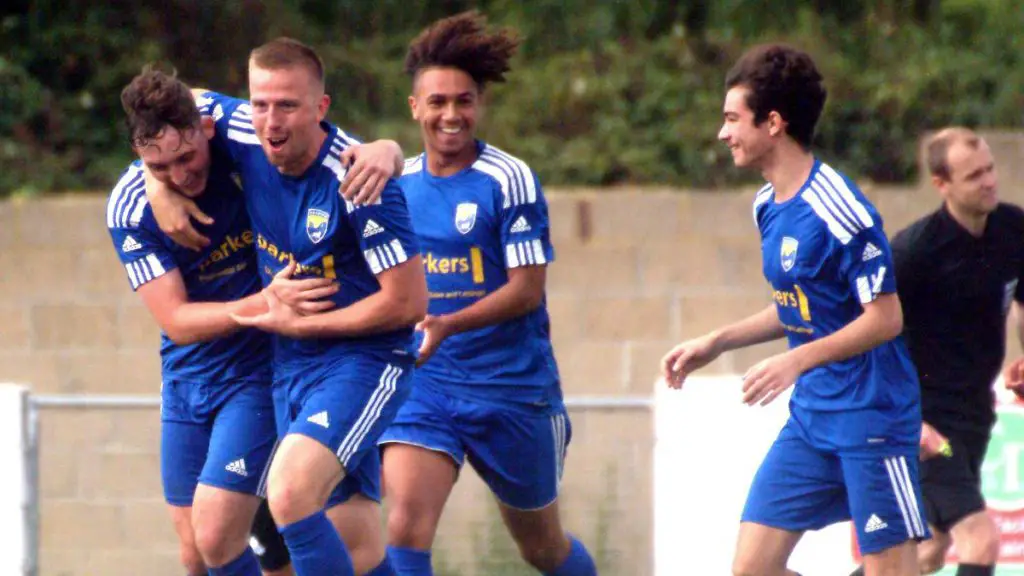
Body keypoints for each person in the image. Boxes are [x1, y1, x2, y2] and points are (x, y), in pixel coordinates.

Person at [145, 37, 427, 576]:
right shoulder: (243, 130)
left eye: (289, 105)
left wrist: (306, 323)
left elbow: (409, 302)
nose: (271, 121)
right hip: (287, 366)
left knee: (290, 495)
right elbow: (170, 104)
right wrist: (155, 182)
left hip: (363, 364)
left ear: (321, 107)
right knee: (359, 548)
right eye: (260, 103)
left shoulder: (358, 180)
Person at [660, 43, 928, 576]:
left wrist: (797, 361)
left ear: (774, 123)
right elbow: (802, 307)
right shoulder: (768, 205)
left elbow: (885, 318)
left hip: (871, 417)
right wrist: (717, 341)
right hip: (812, 419)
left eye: (732, 118)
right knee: (751, 570)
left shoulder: (841, 209)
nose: (723, 133)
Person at [375, 12, 597, 576]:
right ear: (415, 108)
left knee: (542, 549)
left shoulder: (509, 180)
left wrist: (448, 322)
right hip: (428, 383)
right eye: (438, 101)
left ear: (480, 105)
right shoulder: (399, 188)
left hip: (511, 389)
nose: (452, 115)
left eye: (464, 101)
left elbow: (527, 290)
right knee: (404, 524)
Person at [109, 68, 316, 576]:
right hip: (186, 376)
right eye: (160, 167)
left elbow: (315, 135)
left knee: (219, 532)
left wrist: (385, 152)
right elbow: (177, 321)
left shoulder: (238, 131)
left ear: (205, 129)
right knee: (195, 552)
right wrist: (263, 303)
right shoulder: (131, 208)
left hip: (258, 371)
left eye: (186, 158)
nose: (180, 176)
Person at [879, 126, 1024, 576]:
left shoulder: (1013, 229)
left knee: (925, 550)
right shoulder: (914, 252)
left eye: (989, 169)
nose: (988, 182)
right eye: (973, 176)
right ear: (942, 184)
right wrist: (908, 418)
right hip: (926, 423)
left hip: (972, 415)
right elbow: (871, 332)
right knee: (979, 540)